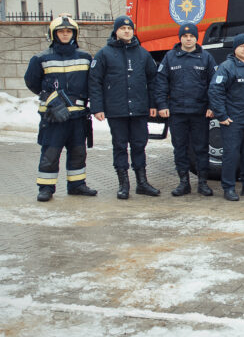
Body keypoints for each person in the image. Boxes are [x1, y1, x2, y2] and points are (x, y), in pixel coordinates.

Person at [25, 14, 94, 202]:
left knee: (78, 152)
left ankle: (77, 185)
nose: (65, 34)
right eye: (61, 31)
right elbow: (32, 83)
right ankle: (46, 188)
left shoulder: (85, 58)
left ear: (74, 34)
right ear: (53, 34)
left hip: (78, 117)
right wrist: (51, 99)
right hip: (52, 117)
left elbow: (92, 84)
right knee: (51, 152)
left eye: (69, 31)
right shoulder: (41, 58)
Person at [89, 15, 159, 199]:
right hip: (116, 109)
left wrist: (153, 104)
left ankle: (142, 183)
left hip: (139, 109)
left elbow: (153, 80)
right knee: (120, 146)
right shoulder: (104, 54)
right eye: (123, 28)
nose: (127, 31)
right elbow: (95, 82)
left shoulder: (143, 54)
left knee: (139, 145)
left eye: (129, 28)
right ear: (116, 31)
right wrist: (97, 108)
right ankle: (123, 184)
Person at [153, 23, 218, 197]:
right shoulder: (170, 57)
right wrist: (162, 105)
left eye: (191, 36)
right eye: (185, 36)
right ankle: (184, 183)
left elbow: (214, 85)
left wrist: (212, 106)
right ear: (180, 38)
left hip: (200, 112)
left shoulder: (206, 58)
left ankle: (202, 183)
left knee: (201, 149)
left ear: (196, 38)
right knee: (180, 148)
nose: (188, 39)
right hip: (177, 112)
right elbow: (161, 83)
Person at [207, 33, 244, 201]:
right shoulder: (227, 67)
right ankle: (228, 187)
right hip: (233, 121)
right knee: (231, 155)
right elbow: (215, 91)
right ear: (235, 49)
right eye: (242, 46)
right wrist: (222, 115)